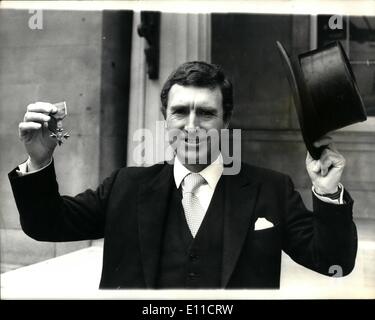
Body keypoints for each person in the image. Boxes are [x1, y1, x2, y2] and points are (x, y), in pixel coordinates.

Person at [9, 61, 357, 289]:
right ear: (166, 118)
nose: (191, 126)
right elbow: (46, 225)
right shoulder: (126, 187)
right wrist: (38, 161)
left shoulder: (271, 189)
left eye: (206, 113)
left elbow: (334, 263)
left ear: (226, 120)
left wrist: (327, 192)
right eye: (180, 112)